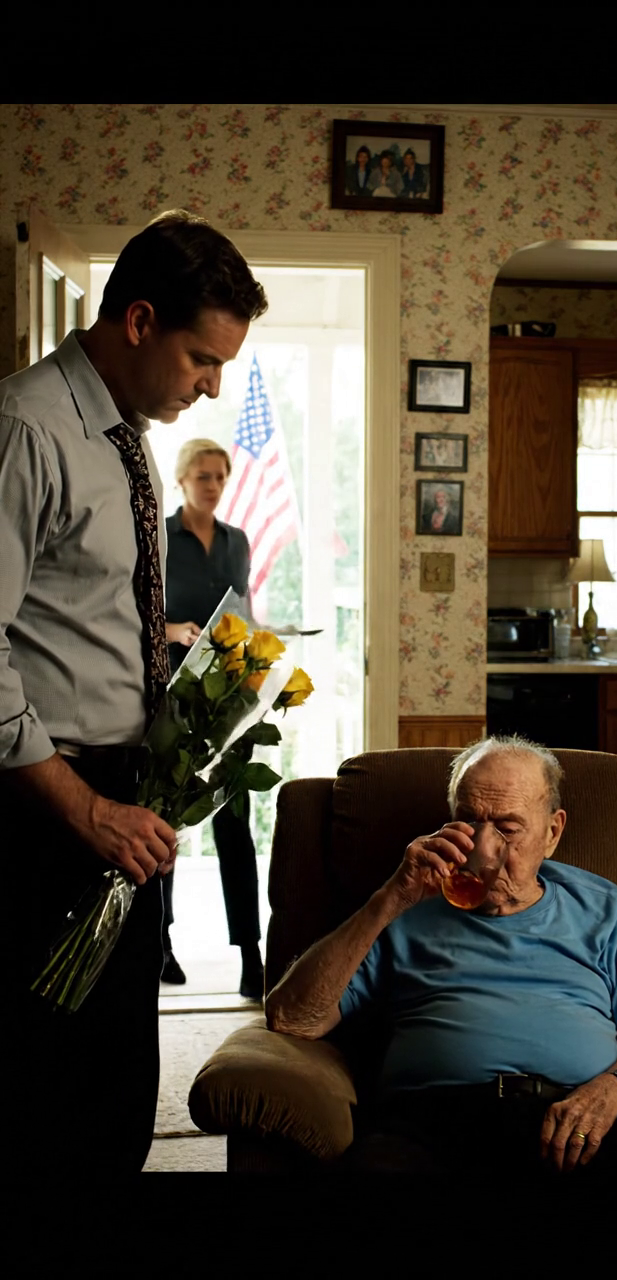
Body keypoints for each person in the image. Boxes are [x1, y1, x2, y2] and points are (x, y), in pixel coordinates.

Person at [0, 208, 267, 1176]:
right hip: (47, 807)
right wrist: (85, 807)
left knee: (117, 1081)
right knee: (45, 1093)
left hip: (125, 794)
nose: (213, 385)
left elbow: (96, 615)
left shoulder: (125, 434)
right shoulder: (26, 428)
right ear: (141, 320)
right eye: (203, 358)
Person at [266, 736, 617, 1191]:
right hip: (431, 1124)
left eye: (507, 828)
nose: (483, 848)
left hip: (580, 1122)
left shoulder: (603, 907)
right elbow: (292, 1018)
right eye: (469, 821)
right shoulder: (403, 903)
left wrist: (612, 1090)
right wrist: (389, 900)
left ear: (552, 832)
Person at [161, 437, 264, 1000]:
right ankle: (161, 943)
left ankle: (251, 954)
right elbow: (136, 610)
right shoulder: (160, 537)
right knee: (163, 822)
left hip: (227, 701)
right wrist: (173, 631)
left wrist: (256, 659)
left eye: (220, 476)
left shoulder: (237, 541)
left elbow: (242, 611)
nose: (213, 485)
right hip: (172, 699)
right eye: (203, 476)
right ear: (182, 479)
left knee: (234, 821)